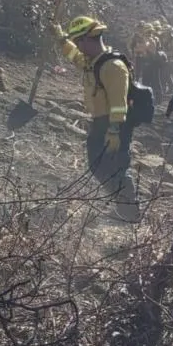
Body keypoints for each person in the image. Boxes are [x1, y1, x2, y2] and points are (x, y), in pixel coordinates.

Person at [58, 15, 140, 222]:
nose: (78, 46)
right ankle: (123, 205)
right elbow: (76, 57)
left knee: (116, 165)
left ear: (87, 39)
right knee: (98, 164)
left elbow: (119, 103)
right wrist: (61, 39)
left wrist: (114, 131)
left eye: (78, 42)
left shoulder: (113, 67)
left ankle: (130, 212)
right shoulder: (94, 61)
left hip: (115, 123)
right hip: (101, 121)